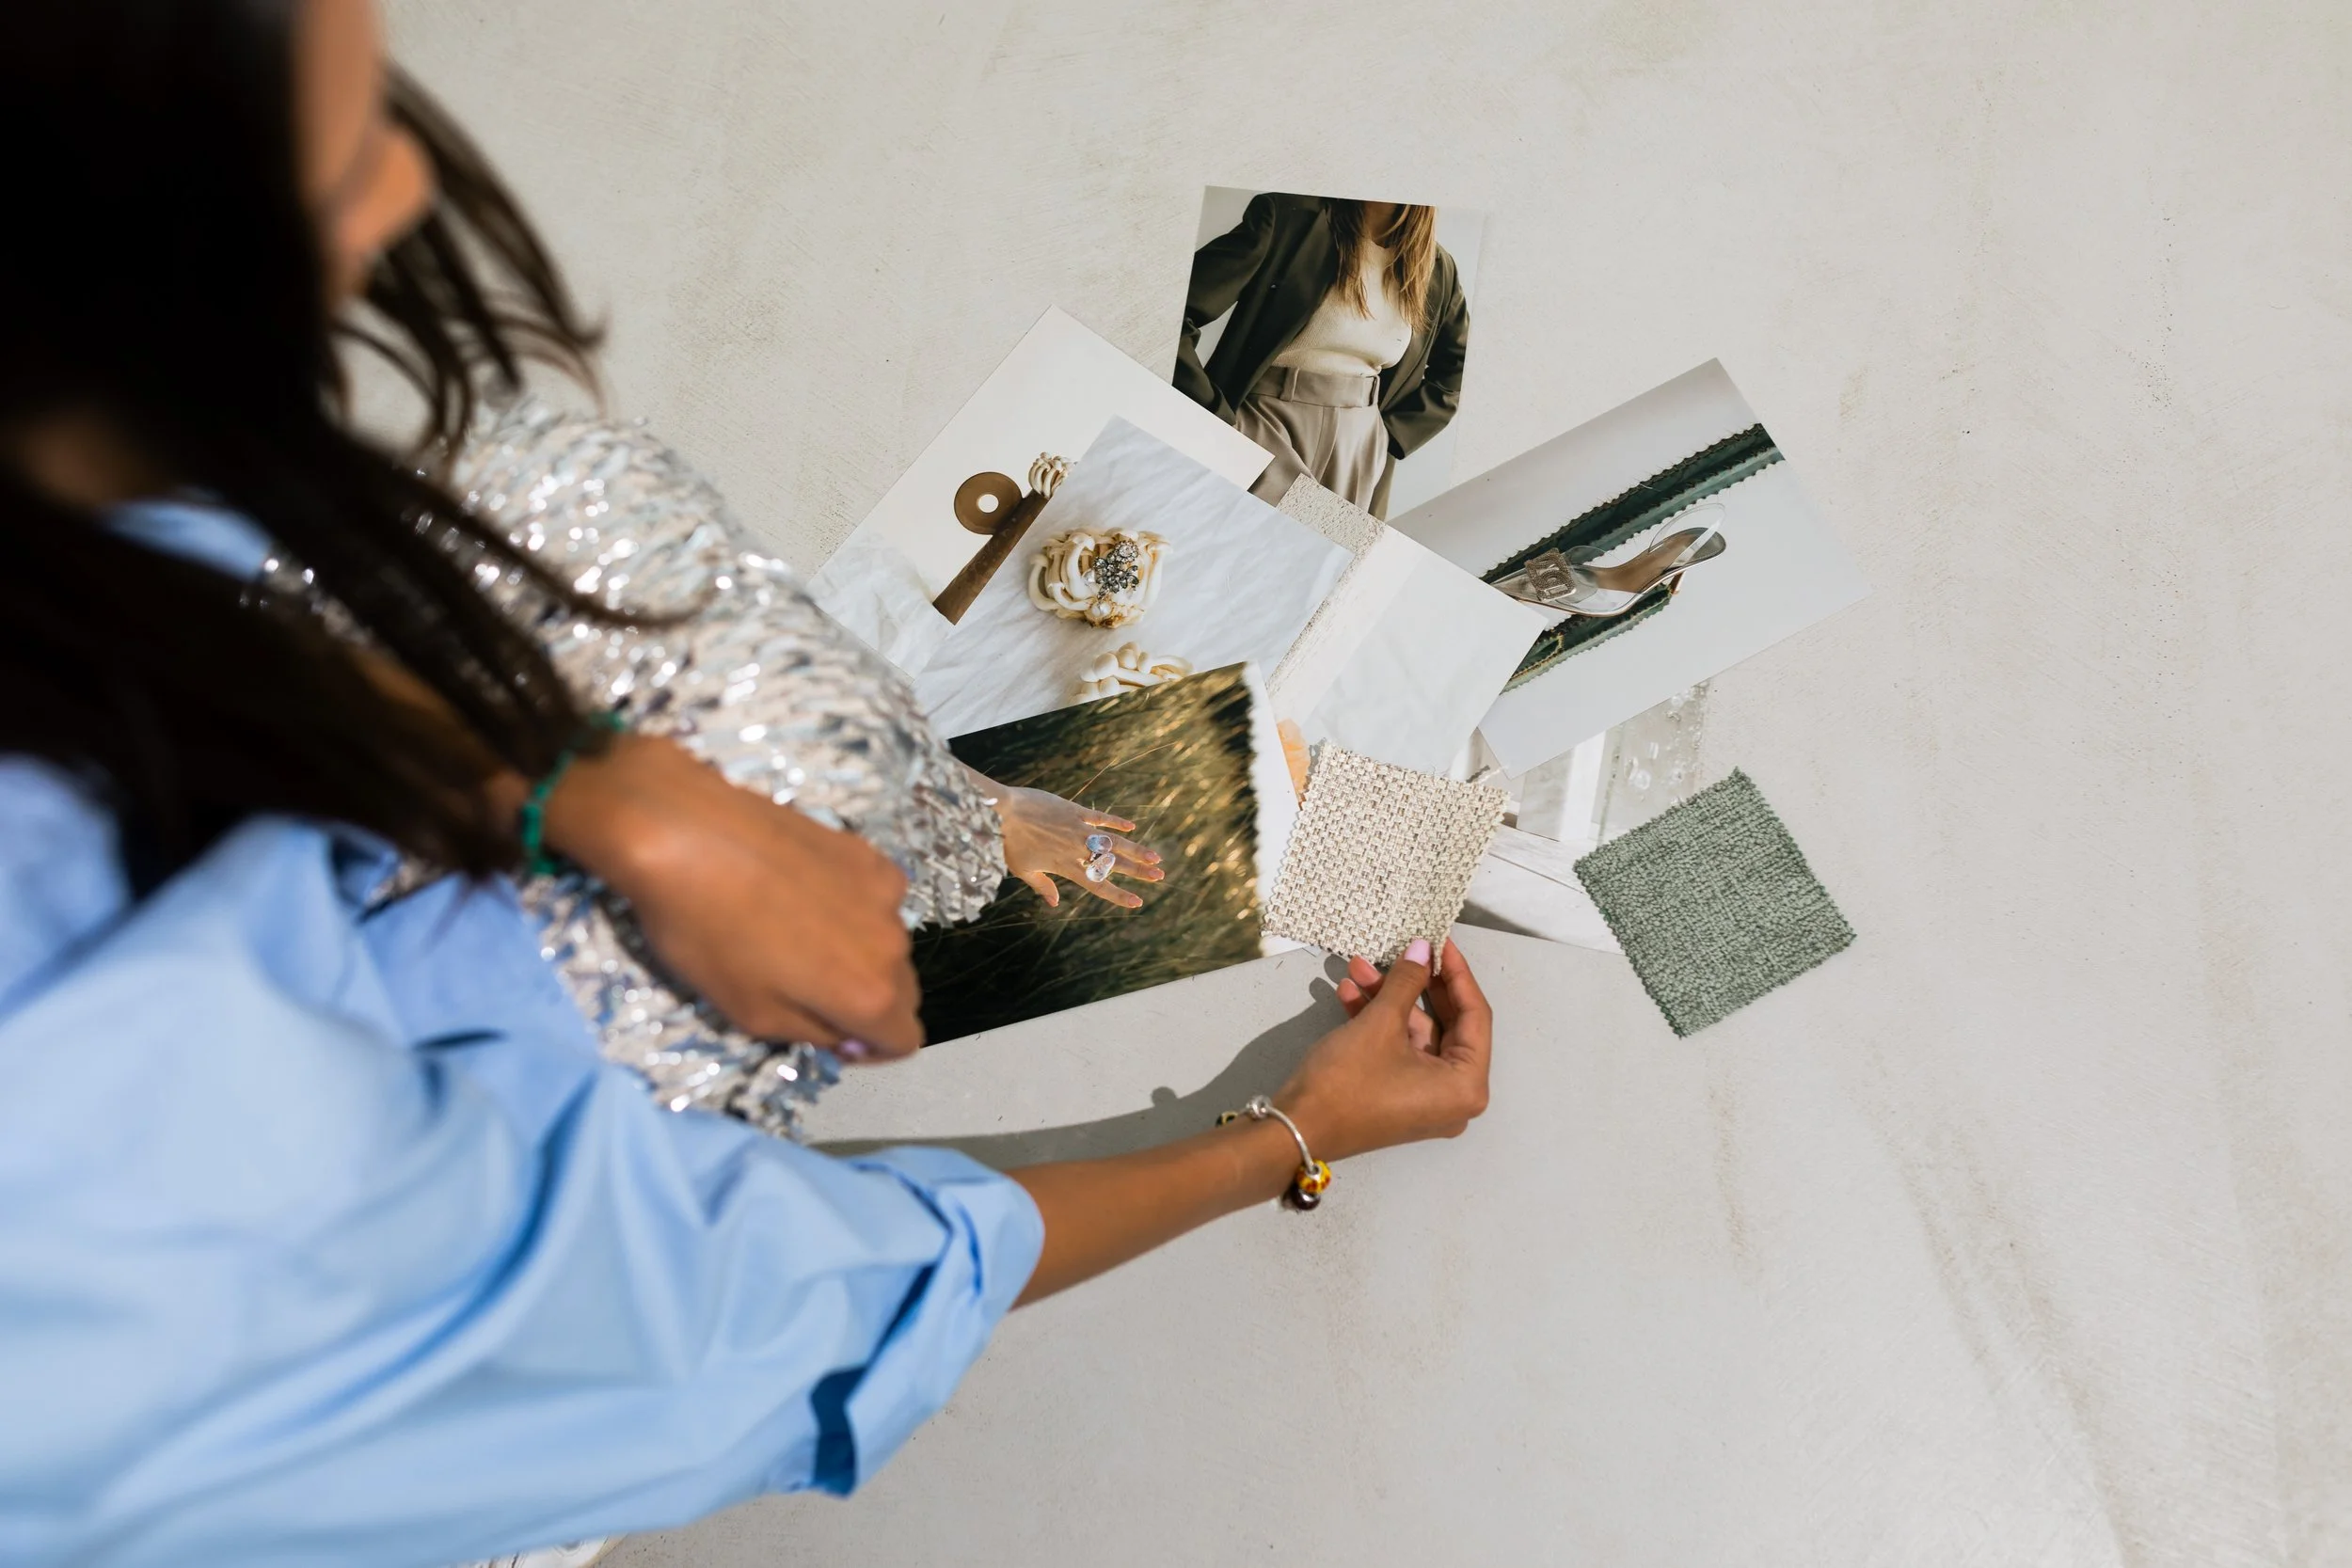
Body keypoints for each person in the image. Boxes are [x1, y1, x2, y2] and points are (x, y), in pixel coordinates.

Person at [0, 4, 1498, 1566]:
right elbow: (805, 1297)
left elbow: (153, 615)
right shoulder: (202, 1253)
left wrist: (593, 789)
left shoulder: (118, 554)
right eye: (332, 174)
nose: (397, 201)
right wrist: (1290, 1131)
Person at [1175, 193, 1472, 517]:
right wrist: (1216, 418)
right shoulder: (1289, 217)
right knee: (1229, 540)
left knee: (1326, 559)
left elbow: (1460, 367)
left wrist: (1392, 437)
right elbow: (1173, 315)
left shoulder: (1437, 268)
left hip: (1360, 446)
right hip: (1264, 422)